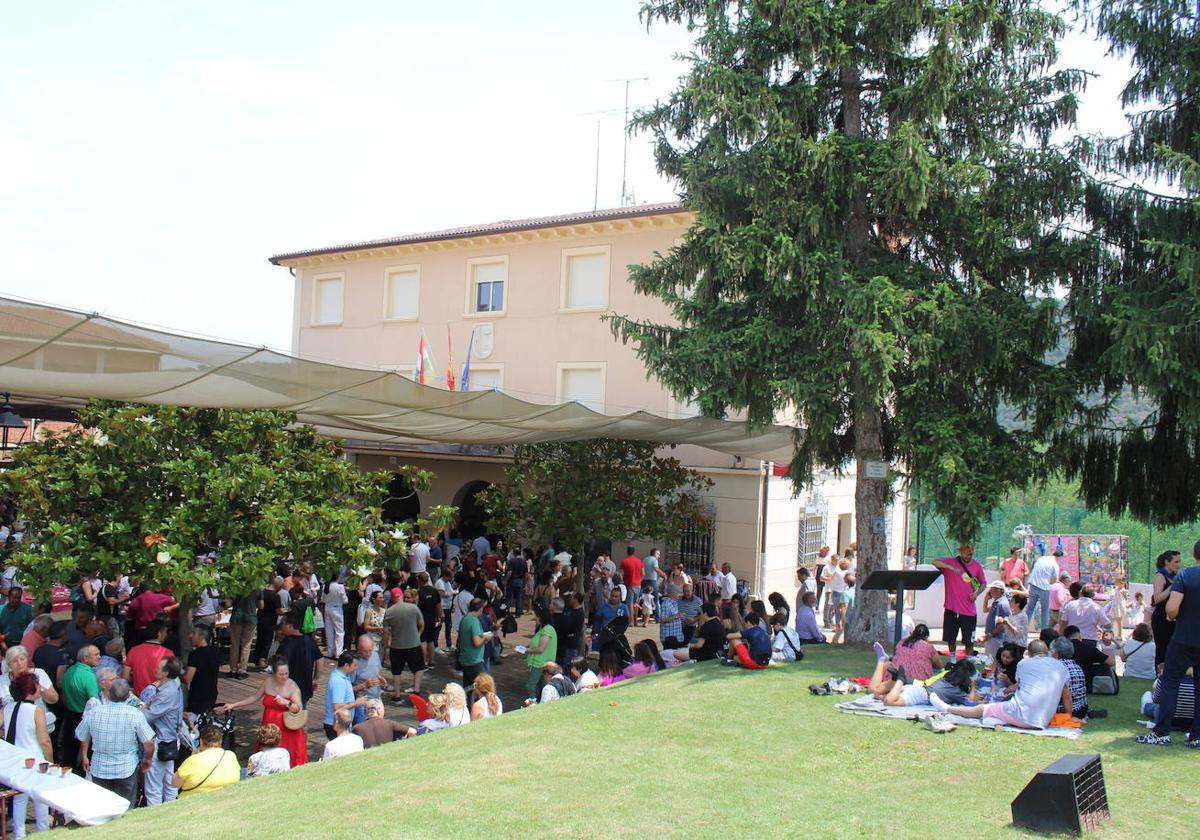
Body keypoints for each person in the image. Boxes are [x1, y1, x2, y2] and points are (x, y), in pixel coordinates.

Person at [1138, 540, 1200, 747]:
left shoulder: (1186, 575)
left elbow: (1171, 608)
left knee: (1171, 683)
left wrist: (1175, 617)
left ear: (1194, 554)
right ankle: (1197, 736)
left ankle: (1162, 731)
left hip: (1184, 638)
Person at [929, 641, 1070, 729]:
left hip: (1021, 714)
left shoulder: (1024, 664)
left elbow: (1017, 686)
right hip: (1043, 719)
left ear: (1030, 653)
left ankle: (948, 709)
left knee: (983, 708)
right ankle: (994, 719)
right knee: (998, 707)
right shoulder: (1060, 667)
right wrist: (1068, 716)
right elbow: (1066, 695)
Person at [75, 678, 155, 806]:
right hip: (126, 768)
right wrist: (147, 759)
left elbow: (80, 734)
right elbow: (149, 743)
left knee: (102, 808)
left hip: (100, 768)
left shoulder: (94, 712)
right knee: (125, 808)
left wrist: (85, 755)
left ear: (109, 693)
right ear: (129, 694)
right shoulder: (134, 714)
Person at [218, 655, 307, 768]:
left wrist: (286, 703)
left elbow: (298, 708)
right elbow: (254, 697)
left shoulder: (292, 686)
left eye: (286, 673)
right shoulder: (268, 682)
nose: (284, 676)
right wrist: (234, 705)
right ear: (274, 673)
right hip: (269, 724)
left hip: (286, 728)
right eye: (281, 674)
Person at [2, 672, 52, 836]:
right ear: (31, 690)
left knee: (18, 799)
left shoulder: (8, 707)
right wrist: (50, 761)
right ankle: (42, 833)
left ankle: (19, 835)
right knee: (40, 798)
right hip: (34, 758)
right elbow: (44, 740)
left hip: (15, 760)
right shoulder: (36, 710)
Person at [141, 655, 184, 805]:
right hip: (171, 740)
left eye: (159, 668)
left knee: (153, 787)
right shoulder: (175, 684)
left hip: (162, 741)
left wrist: (140, 709)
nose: (155, 669)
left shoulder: (167, 692)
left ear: (166, 673)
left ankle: (154, 815)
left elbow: (148, 716)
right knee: (169, 781)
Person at [932, 543, 985, 660]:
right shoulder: (951, 562)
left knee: (969, 641)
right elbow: (934, 562)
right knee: (950, 638)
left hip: (968, 610)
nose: (968, 556)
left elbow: (983, 583)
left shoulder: (977, 566)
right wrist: (951, 568)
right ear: (961, 552)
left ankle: (969, 662)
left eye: (971, 553)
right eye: (966, 553)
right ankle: (952, 660)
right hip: (951, 608)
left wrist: (976, 594)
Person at [867, 657, 978, 707]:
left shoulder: (945, 678)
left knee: (879, 696)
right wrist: (973, 686)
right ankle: (900, 679)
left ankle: (896, 680)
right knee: (889, 701)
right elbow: (970, 702)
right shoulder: (956, 691)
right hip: (920, 696)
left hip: (917, 689)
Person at [61, 644, 101, 770]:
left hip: (69, 714)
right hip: (84, 716)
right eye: (96, 655)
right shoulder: (88, 676)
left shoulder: (69, 671)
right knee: (88, 752)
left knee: (69, 751)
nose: (99, 657)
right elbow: (95, 701)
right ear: (85, 658)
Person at [382, 588, 425, 698]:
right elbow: (421, 624)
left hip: (396, 646)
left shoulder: (389, 611)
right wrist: (417, 636)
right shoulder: (413, 608)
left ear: (392, 598)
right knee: (418, 668)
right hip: (413, 644)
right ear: (401, 595)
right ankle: (416, 689)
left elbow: (386, 632)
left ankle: (397, 695)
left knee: (396, 671)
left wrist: (385, 647)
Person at [172, 724, 239, 794]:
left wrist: (192, 756)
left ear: (201, 741)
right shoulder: (230, 755)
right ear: (221, 741)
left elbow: (174, 784)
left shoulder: (192, 761)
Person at [323, 650, 367, 740]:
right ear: (346, 665)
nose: (356, 668)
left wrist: (361, 687)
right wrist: (356, 703)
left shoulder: (342, 675)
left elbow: (344, 692)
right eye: (355, 665)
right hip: (337, 725)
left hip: (340, 724)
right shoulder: (338, 681)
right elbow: (337, 707)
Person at [1150, 549, 1183, 670]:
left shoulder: (1174, 577)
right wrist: (1173, 586)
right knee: (1162, 648)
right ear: (1167, 562)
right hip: (1161, 618)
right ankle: (1159, 677)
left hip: (1173, 617)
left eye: (1179, 561)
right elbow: (1157, 598)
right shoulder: (1160, 576)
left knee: (1172, 649)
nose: (1178, 565)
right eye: (1176, 561)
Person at [1063, 625, 1117, 693]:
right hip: (1085, 685)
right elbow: (1111, 662)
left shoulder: (1060, 650)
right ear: (1080, 636)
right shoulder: (1089, 649)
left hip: (1063, 683)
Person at [124, 619, 171, 696]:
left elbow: (125, 676)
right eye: (165, 632)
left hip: (138, 697)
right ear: (159, 634)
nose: (166, 635)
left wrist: (136, 678)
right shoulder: (168, 653)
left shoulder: (133, 650)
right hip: (159, 698)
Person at [183, 623, 220, 715]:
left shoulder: (195, 654)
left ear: (202, 636)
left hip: (197, 697)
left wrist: (179, 674)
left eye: (194, 633)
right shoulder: (215, 651)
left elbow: (187, 679)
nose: (190, 636)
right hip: (211, 693)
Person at [1050, 636, 1089, 718]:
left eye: (1051, 651)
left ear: (1056, 653)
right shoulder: (1077, 666)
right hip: (1081, 709)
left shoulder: (1056, 668)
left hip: (1065, 712)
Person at [457, 598, 489, 688]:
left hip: (465, 659)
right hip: (474, 660)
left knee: (468, 688)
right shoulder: (474, 621)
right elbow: (477, 642)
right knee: (482, 687)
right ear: (481, 609)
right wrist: (485, 638)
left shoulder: (465, 618)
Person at [525, 611, 558, 701]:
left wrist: (526, 650)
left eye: (537, 616)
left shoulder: (547, 629)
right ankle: (542, 703)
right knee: (543, 686)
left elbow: (541, 649)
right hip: (542, 662)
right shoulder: (542, 628)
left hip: (540, 663)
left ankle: (533, 702)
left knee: (530, 685)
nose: (536, 619)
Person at [1026, 549, 1060, 630]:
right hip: (1044, 587)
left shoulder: (1041, 559)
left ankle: (1024, 628)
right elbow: (1054, 580)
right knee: (1045, 610)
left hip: (1033, 585)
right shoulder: (1055, 564)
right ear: (1059, 557)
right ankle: (1044, 631)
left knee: (1030, 608)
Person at [415, 572, 441, 668]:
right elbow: (438, 605)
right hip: (432, 619)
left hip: (422, 619)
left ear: (420, 581)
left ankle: (424, 662)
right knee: (431, 640)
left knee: (423, 641)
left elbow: (416, 607)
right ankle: (432, 661)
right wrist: (438, 617)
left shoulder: (418, 592)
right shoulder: (434, 591)